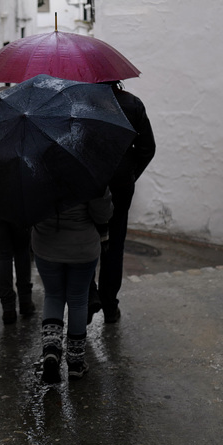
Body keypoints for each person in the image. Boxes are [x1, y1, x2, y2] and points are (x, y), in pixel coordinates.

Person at [88, 81, 156, 324]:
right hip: (120, 186)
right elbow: (148, 147)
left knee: (87, 239)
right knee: (114, 244)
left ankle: (88, 298)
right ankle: (109, 305)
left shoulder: (83, 103)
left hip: (90, 182)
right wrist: (129, 173)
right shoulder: (132, 104)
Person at [32, 190, 113, 383]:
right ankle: (76, 364)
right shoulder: (90, 173)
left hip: (46, 244)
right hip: (82, 247)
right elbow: (103, 214)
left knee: (53, 295)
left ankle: (51, 353)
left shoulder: (33, 167)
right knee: (78, 300)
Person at [0, 213, 35, 324]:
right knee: (22, 250)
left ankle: (8, 308)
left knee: (2, 256)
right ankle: (25, 301)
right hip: (19, 209)